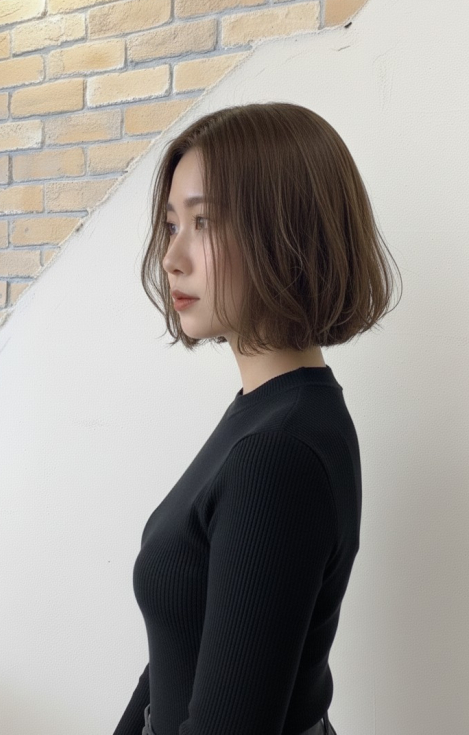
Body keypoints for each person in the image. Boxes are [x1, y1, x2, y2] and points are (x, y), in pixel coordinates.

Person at [113, 102, 402, 735]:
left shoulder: (278, 452)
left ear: (285, 230)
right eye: (171, 224)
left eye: (204, 222)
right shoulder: (272, 413)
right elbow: (183, 647)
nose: (172, 257)